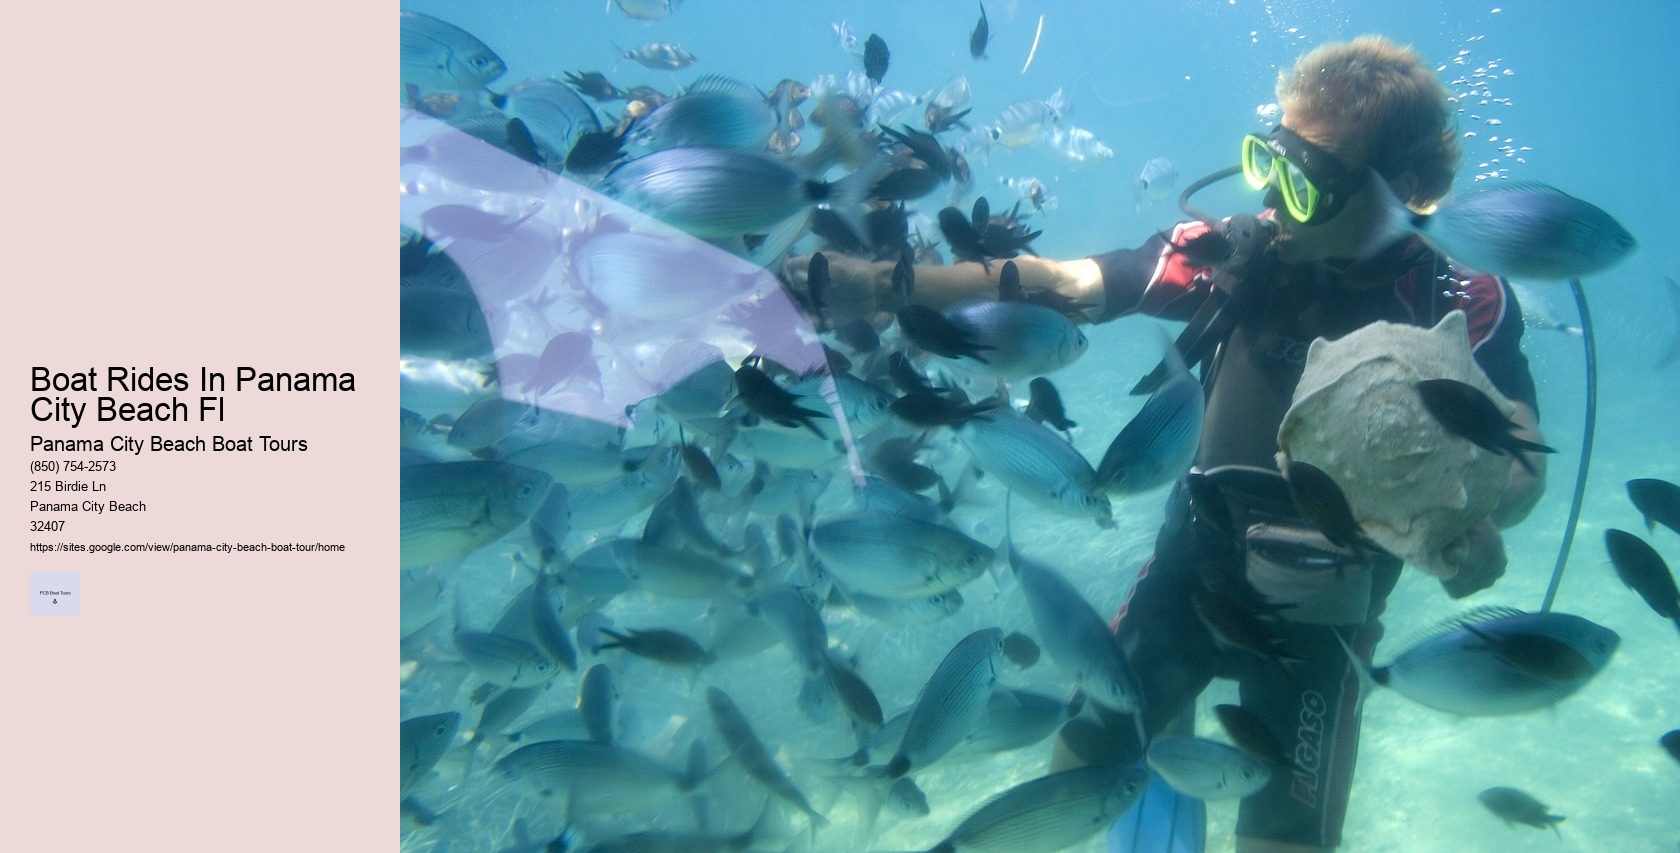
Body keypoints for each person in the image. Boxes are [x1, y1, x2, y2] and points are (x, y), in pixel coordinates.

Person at [788, 35, 1547, 853]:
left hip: (1323, 630)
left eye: (1306, 180)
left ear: (1405, 190)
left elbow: (1522, 459)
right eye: (1269, 163)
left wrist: (1483, 519)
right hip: (1186, 583)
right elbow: (1072, 282)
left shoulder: (1455, 296)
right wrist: (889, 285)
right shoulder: (1240, 254)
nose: (1277, 200)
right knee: (1065, 789)